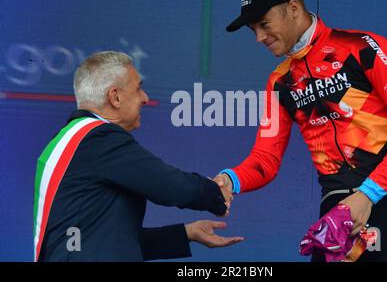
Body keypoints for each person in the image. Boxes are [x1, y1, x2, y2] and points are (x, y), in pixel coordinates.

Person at [215, 0, 387, 262]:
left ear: (293, 8)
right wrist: (231, 180)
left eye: (264, 24)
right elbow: (264, 160)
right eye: (253, 29)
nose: (259, 38)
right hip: (336, 206)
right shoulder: (279, 82)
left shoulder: (363, 47)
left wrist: (368, 193)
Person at [33, 51, 243, 262]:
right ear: (115, 97)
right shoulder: (99, 138)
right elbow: (168, 184)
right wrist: (215, 195)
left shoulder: (73, 140)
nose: (145, 98)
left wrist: (186, 233)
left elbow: (109, 242)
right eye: (138, 88)